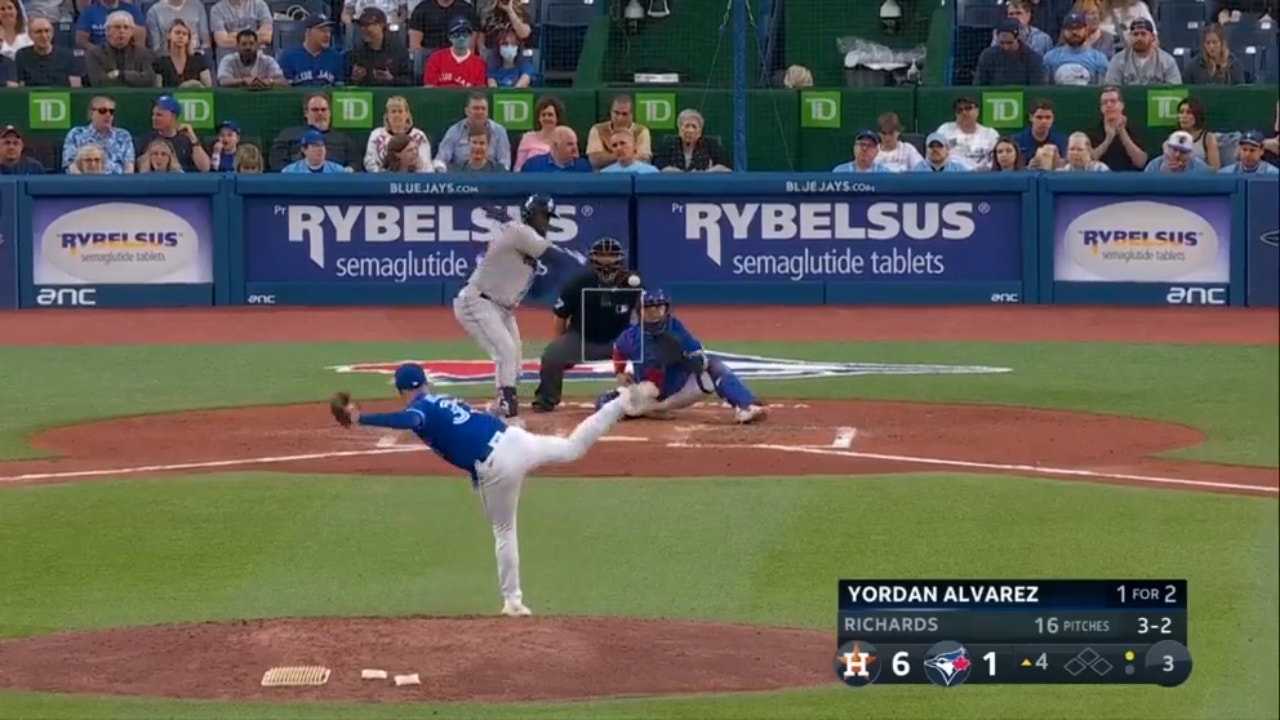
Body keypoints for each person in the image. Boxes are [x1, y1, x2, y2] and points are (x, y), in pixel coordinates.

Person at [331, 363, 659, 617]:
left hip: (496, 465)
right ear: (425, 383)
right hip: (515, 441)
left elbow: (411, 421)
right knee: (573, 447)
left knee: (504, 531)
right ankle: (620, 403)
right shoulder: (442, 400)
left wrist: (362, 419)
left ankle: (513, 602)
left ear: (402, 390)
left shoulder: (421, 409)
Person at [451, 194, 591, 419]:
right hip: (477, 301)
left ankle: (500, 404)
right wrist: (583, 263)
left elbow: (538, 291)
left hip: (502, 308)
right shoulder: (519, 232)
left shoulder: (529, 243)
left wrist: (559, 273)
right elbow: (557, 258)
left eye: (548, 217)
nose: (545, 222)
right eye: (542, 215)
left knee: (514, 362)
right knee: (505, 351)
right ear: (529, 214)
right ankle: (507, 409)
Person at [598, 289, 767, 424]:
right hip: (648, 394)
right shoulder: (631, 336)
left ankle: (745, 406)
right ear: (640, 313)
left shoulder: (677, 331)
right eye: (648, 310)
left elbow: (700, 362)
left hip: (681, 391)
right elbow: (618, 349)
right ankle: (649, 410)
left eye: (658, 308)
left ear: (666, 310)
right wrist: (619, 372)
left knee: (714, 365)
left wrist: (683, 356)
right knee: (605, 403)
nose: (654, 313)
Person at [532, 237, 642, 413]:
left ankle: (646, 397)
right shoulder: (578, 283)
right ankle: (545, 399)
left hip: (619, 341)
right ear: (593, 258)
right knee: (552, 355)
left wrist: (638, 340)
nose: (606, 261)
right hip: (581, 338)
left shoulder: (633, 284)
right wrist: (559, 343)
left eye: (611, 256)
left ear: (619, 258)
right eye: (602, 256)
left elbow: (645, 314)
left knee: (650, 353)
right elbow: (561, 315)